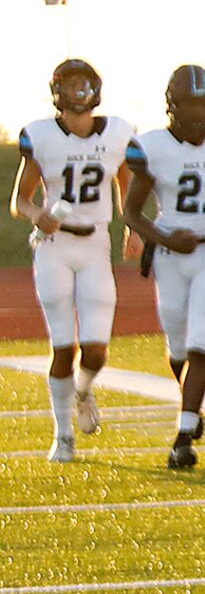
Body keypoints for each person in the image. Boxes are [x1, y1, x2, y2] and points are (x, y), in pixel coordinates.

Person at [118, 66, 205, 469]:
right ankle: (194, 408)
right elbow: (131, 211)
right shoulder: (151, 147)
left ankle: (184, 435)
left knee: (199, 344)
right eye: (189, 104)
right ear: (172, 106)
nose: (197, 112)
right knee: (177, 350)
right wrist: (165, 238)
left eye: (203, 103)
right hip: (171, 256)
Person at [14, 59, 132, 463]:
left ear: (96, 88)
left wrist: (131, 225)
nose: (79, 92)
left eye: (85, 84)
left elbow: (124, 181)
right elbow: (20, 200)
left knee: (97, 352)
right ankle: (63, 435)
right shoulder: (41, 135)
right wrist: (36, 214)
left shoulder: (118, 132)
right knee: (62, 346)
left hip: (96, 244)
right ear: (58, 91)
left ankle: (83, 390)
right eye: (72, 84)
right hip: (54, 246)